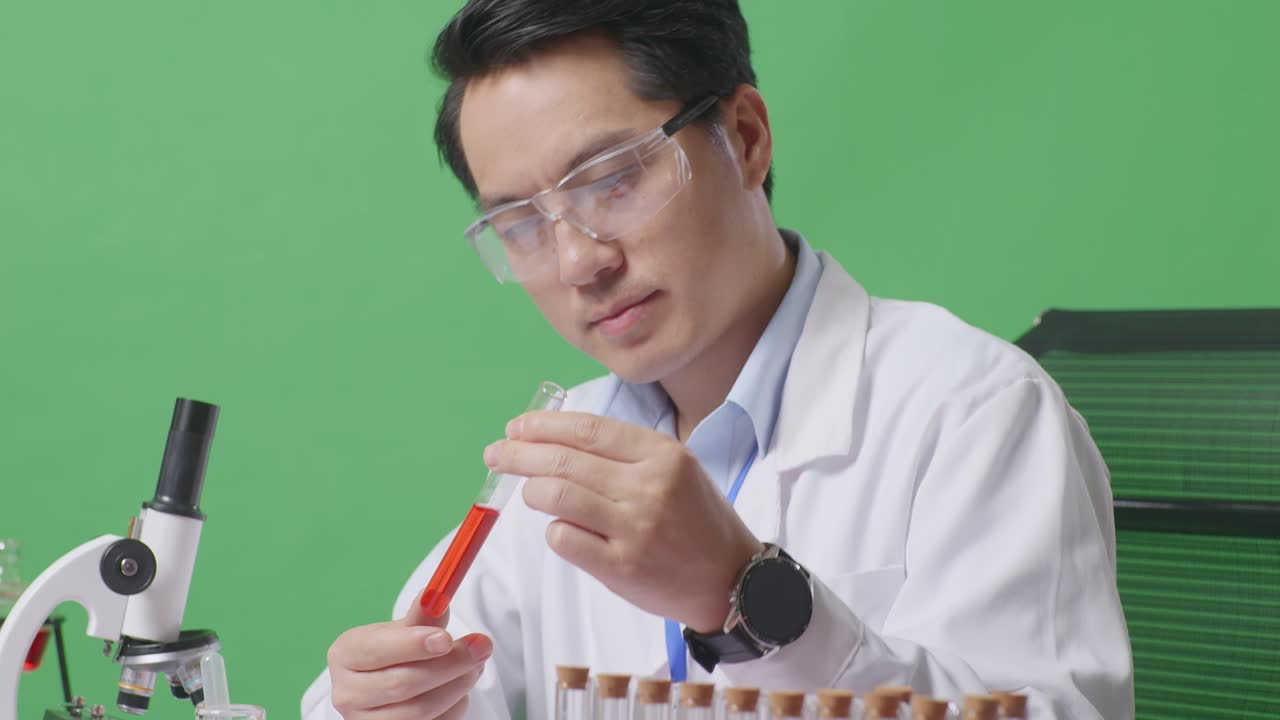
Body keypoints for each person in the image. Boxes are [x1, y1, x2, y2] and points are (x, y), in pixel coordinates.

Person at [302, 1, 1134, 718]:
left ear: (746, 136)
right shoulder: (560, 450)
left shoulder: (972, 408)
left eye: (612, 178)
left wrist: (749, 600)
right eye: (520, 222)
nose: (577, 263)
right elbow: (417, 677)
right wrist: (373, 695)